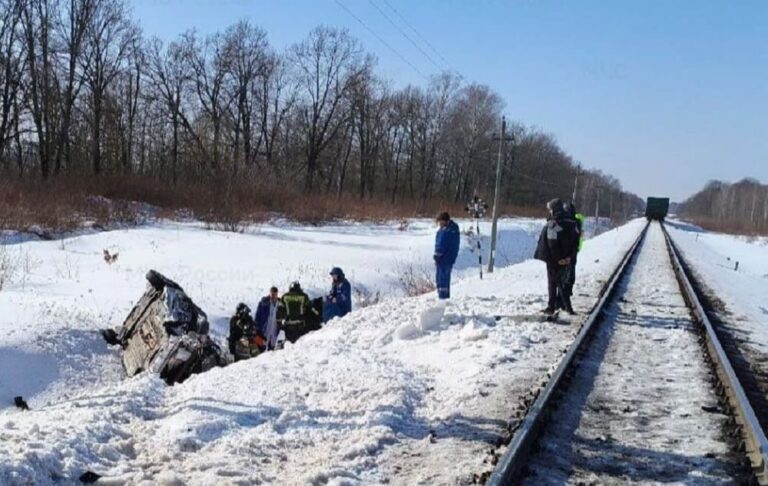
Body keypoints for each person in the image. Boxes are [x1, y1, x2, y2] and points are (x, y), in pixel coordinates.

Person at [534, 198, 578, 315]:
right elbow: (575, 243)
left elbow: (552, 244)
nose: (549, 211)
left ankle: (552, 307)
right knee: (563, 283)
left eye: (550, 209)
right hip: (567, 258)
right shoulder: (572, 223)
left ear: (554, 209)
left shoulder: (553, 224)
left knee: (553, 283)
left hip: (554, 260)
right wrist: (569, 257)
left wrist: (559, 259)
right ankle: (567, 307)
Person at [433, 212, 460, 299]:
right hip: (450, 258)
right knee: (446, 279)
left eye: (440, 222)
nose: (439, 224)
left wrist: (436, 256)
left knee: (441, 280)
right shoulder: (454, 230)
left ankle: (442, 298)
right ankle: (446, 297)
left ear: (445, 221)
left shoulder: (445, 231)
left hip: (443, 259)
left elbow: (440, 245)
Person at [562, 202, 584, 302]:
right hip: (573, 250)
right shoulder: (577, 221)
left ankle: (563, 295)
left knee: (564, 274)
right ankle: (567, 292)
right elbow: (579, 236)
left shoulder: (564, 221)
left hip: (564, 251)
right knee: (570, 272)